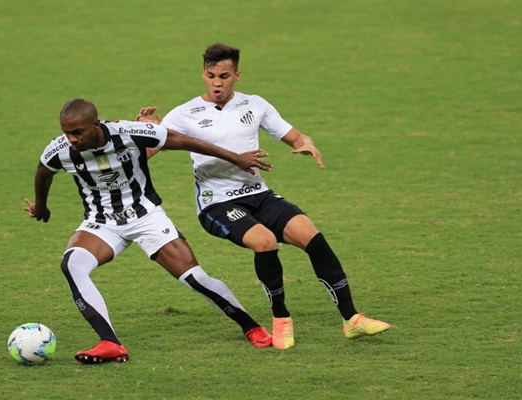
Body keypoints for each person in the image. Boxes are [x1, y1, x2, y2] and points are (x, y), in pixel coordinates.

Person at [136, 43, 390, 350]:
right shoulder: (184, 114)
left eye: (225, 76)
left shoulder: (254, 105)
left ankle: (352, 320)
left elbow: (293, 135)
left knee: (312, 236)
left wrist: (306, 143)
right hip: (218, 204)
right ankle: (281, 319)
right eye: (211, 75)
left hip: (259, 194)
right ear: (203, 74)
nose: (217, 82)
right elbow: (147, 153)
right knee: (265, 241)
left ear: (237, 75)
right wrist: (144, 133)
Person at [24, 98, 275, 364]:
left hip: (146, 217)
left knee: (193, 277)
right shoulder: (60, 150)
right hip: (102, 222)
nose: (71, 139)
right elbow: (43, 172)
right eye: (66, 132)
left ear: (95, 124)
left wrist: (235, 158)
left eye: (77, 132)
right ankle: (111, 343)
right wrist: (41, 207)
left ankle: (250, 326)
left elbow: (182, 140)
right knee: (72, 264)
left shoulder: (128, 132)